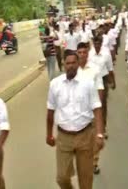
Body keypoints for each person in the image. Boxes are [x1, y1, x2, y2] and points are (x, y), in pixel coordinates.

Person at [46, 50, 105, 189]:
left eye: (73, 62)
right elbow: (50, 111)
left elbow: (97, 109)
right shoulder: (55, 84)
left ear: (78, 64)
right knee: (62, 178)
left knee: (86, 179)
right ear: (63, 64)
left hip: (85, 135)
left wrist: (99, 134)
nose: (71, 66)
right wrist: (48, 134)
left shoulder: (88, 83)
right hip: (63, 137)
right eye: (68, 63)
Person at [76, 42, 105, 174]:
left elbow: (99, 87)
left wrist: (98, 107)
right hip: (77, 110)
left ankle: (94, 162)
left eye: (84, 52)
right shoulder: (73, 69)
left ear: (88, 53)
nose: (82, 55)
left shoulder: (95, 69)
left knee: (93, 138)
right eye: (79, 52)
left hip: (92, 109)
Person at [89, 36, 116, 138]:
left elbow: (110, 69)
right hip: (91, 81)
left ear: (101, 43)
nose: (97, 45)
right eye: (95, 43)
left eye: (98, 43)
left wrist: (113, 81)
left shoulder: (106, 53)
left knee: (102, 105)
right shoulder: (89, 54)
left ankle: (102, 128)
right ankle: (93, 127)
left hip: (103, 80)